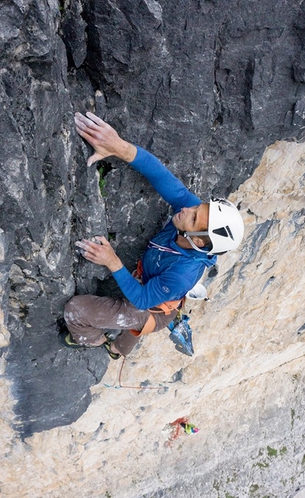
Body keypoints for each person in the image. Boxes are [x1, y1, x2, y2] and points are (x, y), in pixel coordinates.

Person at [63, 112, 244, 359]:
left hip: (150, 306)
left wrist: (111, 261)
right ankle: (121, 346)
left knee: (77, 311)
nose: (186, 208)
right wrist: (119, 147)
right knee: (139, 320)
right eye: (196, 207)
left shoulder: (182, 274)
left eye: (193, 217)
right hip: (159, 291)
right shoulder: (193, 222)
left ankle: (98, 342)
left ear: (200, 241)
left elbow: (141, 299)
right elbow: (161, 175)